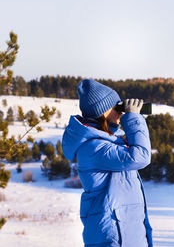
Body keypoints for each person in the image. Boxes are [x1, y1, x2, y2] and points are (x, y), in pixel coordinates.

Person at [62, 79, 153, 247]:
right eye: (116, 107)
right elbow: (141, 156)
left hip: (125, 233)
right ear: (103, 112)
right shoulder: (94, 148)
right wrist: (133, 118)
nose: (120, 113)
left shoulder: (107, 143)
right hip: (113, 237)